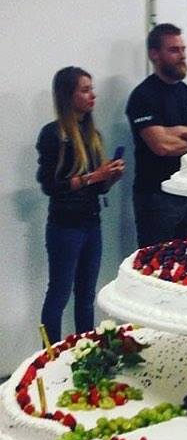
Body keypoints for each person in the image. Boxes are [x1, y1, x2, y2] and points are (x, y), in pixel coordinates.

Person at [37, 67, 125, 343]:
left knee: (86, 296)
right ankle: (49, 355)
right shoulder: (53, 135)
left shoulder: (92, 134)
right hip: (65, 227)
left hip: (91, 223)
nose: (92, 95)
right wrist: (94, 176)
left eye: (91, 89)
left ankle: (85, 350)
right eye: (85, 90)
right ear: (68, 95)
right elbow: (50, 186)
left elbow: (97, 188)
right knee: (59, 294)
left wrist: (109, 177)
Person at [126, 23, 187, 247]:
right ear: (154, 54)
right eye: (174, 50)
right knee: (157, 263)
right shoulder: (143, 96)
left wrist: (182, 131)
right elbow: (162, 146)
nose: (182, 55)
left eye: (183, 49)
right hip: (157, 197)